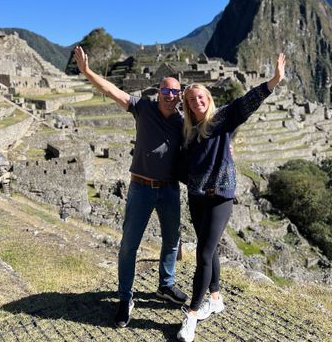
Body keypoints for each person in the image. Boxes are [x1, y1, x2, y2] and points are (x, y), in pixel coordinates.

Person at [73, 46, 188, 329]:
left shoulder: (183, 122)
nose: (170, 95)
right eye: (166, 90)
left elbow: (209, 128)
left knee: (171, 240)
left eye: (175, 92)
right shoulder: (143, 107)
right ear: (158, 92)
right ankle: (126, 297)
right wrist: (87, 71)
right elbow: (113, 91)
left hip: (170, 189)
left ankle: (166, 284)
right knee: (128, 246)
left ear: (180, 95)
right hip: (141, 188)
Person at [177, 53, 286, 342]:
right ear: (187, 106)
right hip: (197, 198)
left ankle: (191, 314)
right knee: (209, 251)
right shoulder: (187, 134)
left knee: (202, 253)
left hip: (219, 197)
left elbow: (245, 104)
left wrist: (273, 81)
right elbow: (182, 168)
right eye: (191, 100)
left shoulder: (221, 119)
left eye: (200, 98)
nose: (196, 103)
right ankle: (216, 297)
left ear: (208, 99)